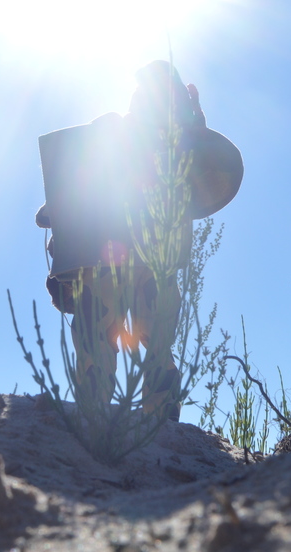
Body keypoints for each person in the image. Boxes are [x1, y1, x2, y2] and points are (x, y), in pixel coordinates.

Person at [35, 61, 243, 420]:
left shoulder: (184, 144)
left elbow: (206, 174)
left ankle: (156, 427)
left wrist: (195, 127)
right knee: (96, 341)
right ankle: (97, 420)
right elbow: (74, 176)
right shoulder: (112, 132)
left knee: (155, 345)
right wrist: (59, 215)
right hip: (103, 258)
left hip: (151, 262)